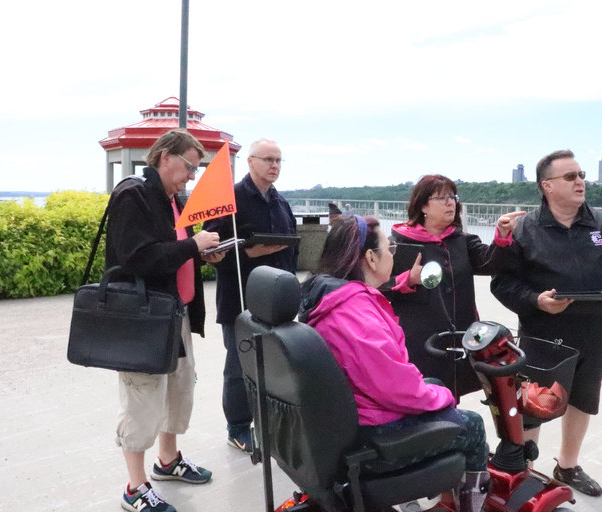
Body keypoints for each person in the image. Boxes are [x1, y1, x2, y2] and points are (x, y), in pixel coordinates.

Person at [298, 215, 490, 512]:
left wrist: (434, 392)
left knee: (434, 386)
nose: (393, 255)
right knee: (473, 425)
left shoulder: (327, 296)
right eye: (389, 249)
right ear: (371, 258)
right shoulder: (356, 313)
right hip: (372, 435)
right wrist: (445, 397)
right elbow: (395, 388)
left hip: (347, 419)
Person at [490, 149, 602, 497]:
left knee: (583, 399)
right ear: (547, 186)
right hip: (544, 333)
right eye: (570, 176)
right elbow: (502, 282)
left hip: (594, 331)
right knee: (533, 405)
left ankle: (568, 465)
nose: (580, 182)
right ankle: (524, 473)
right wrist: (535, 301)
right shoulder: (525, 229)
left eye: (581, 175)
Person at [105, 129, 223, 512]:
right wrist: (193, 245)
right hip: (145, 320)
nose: (192, 175)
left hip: (176, 313)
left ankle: (167, 461)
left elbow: (171, 253)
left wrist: (202, 254)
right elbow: (135, 258)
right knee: (142, 399)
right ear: (165, 157)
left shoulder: (175, 201)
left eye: (197, 169)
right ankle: (134, 488)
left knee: (178, 391)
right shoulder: (133, 196)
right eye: (189, 166)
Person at [388, 174, 524, 399]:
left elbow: (488, 263)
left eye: (453, 197)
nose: (451, 203)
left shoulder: (463, 240)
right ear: (423, 205)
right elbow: (376, 286)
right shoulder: (398, 242)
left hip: (459, 333)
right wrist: (407, 280)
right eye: (442, 198)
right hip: (418, 338)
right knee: (420, 397)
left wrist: (502, 234)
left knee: (452, 394)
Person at [203, 138, 298, 454]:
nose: (274, 166)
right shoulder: (229, 200)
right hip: (239, 299)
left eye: (279, 160)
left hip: (277, 300)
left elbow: (291, 249)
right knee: (238, 367)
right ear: (250, 161)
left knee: (271, 366)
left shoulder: (281, 203)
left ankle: (267, 423)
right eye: (268, 159)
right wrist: (248, 252)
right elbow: (210, 250)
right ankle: (238, 427)